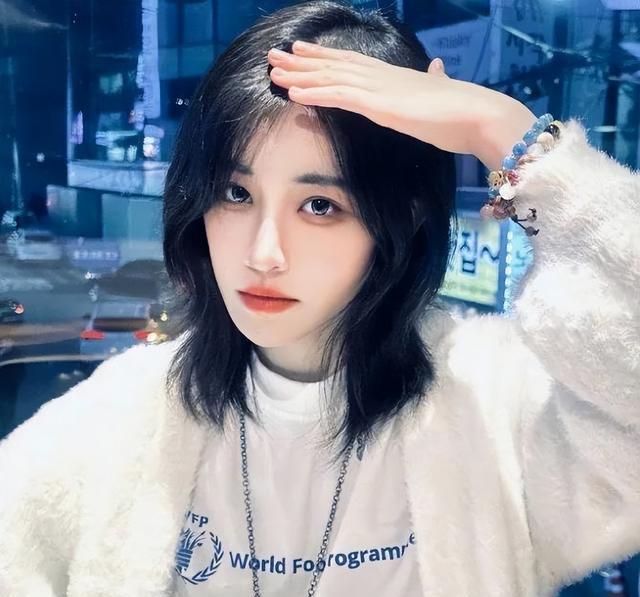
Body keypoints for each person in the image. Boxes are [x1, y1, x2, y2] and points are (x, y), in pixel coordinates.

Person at [1, 1, 638, 596]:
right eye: (236, 194)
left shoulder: (497, 406)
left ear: (402, 217)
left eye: (319, 205)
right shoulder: (127, 411)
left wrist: (509, 136)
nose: (263, 253)